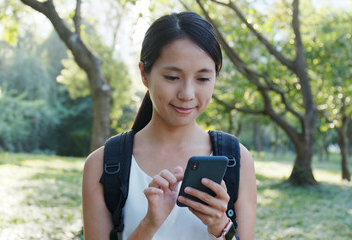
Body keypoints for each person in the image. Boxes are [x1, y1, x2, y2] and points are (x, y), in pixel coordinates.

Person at [82, 11, 257, 240]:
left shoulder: (238, 161)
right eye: (172, 77)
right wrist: (149, 224)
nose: (187, 94)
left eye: (203, 79)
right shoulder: (102, 165)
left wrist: (221, 226)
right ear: (144, 74)